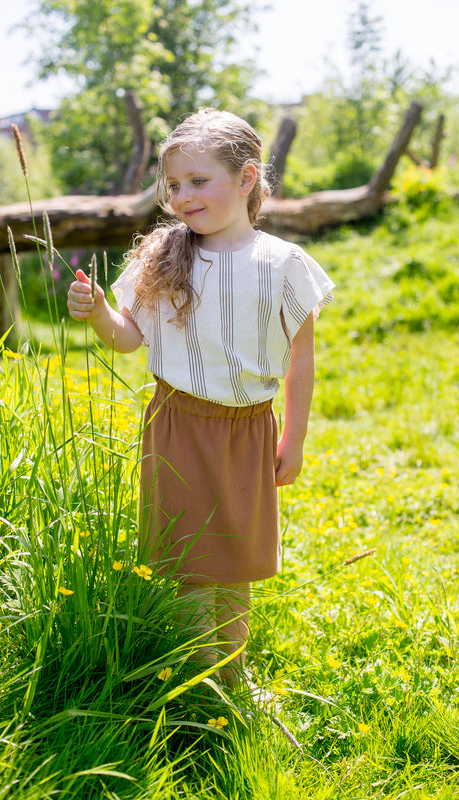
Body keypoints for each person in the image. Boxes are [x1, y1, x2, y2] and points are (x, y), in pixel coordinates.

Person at [67, 108, 334, 688]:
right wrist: (99, 314)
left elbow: (302, 360)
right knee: (189, 563)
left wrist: (295, 438)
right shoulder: (162, 258)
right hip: (178, 423)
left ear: (245, 179)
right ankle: (197, 681)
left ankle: (231, 675)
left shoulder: (284, 264)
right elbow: (127, 339)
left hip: (247, 428)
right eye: (174, 186)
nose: (183, 196)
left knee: (235, 561)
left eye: (197, 181)